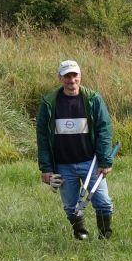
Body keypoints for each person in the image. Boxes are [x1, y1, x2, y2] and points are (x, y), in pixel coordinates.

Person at [36, 60, 116, 240]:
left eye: (74, 75)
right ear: (60, 78)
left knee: (103, 203)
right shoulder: (49, 103)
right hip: (63, 165)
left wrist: (105, 161)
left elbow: (104, 130)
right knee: (71, 207)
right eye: (67, 76)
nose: (71, 80)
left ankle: (105, 238)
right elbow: (42, 137)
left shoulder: (93, 99)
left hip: (91, 162)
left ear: (80, 76)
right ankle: (80, 236)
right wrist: (46, 169)